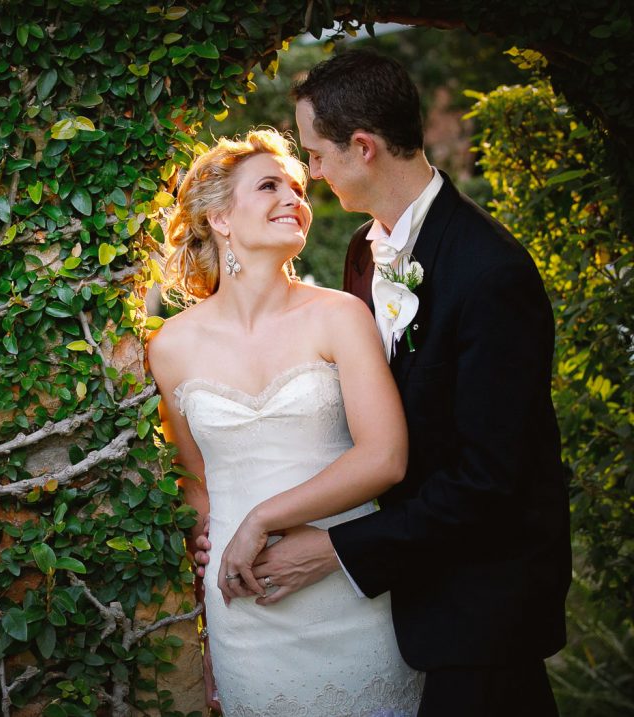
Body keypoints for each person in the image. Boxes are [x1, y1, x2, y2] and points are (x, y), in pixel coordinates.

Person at [195, 50, 572, 717]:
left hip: (481, 608)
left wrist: (336, 548)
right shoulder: (364, 252)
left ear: (362, 148)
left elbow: (491, 479)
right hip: (396, 600)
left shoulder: (491, 272)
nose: (311, 173)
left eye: (316, 155)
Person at [147, 128, 423, 716]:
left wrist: (261, 518)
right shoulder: (169, 347)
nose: (295, 199)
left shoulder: (340, 316)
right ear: (220, 218)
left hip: (346, 589)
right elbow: (196, 482)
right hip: (246, 608)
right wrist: (203, 570)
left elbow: (384, 457)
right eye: (270, 186)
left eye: (298, 189)